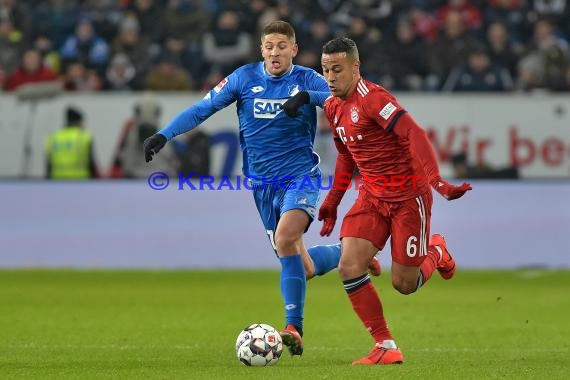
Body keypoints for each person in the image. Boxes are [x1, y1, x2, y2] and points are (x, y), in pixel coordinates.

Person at [143, 21, 380, 357]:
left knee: (285, 238)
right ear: (261, 49)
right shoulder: (243, 78)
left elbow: (345, 100)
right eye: (269, 46)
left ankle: (293, 326)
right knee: (303, 266)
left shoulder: (309, 79)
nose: (275, 52)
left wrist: (307, 98)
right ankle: (352, 253)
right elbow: (202, 108)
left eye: (282, 45)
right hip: (262, 186)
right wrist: (164, 135)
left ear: (294, 50)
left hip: (301, 177)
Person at [283, 37, 472, 365]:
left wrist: (437, 181)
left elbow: (415, 133)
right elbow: (347, 157)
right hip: (372, 196)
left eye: (337, 69)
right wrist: (332, 202)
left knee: (404, 284)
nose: (330, 77)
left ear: (356, 68)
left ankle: (437, 250)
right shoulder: (332, 106)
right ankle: (385, 345)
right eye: (326, 70)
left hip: (408, 198)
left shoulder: (373, 100)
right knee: (349, 266)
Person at [45, 106, 98, 179]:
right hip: (80, 181)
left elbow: (48, 165)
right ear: (79, 121)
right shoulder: (84, 137)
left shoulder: (53, 137)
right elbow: (91, 163)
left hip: (56, 181)